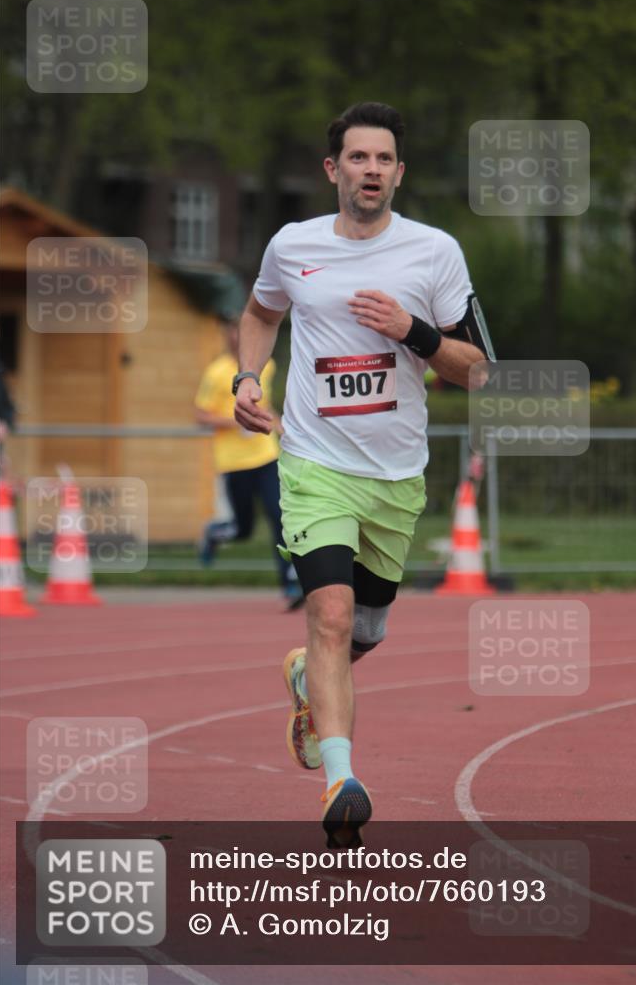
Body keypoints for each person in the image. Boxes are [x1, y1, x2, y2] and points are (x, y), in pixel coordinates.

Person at [233, 102, 491, 846]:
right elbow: (260, 314)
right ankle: (341, 782)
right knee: (331, 615)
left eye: (382, 160)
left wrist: (413, 331)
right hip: (314, 463)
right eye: (357, 158)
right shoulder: (292, 245)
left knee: (366, 629)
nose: (370, 170)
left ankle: (306, 679)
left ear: (398, 173)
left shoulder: (434, 253)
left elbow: (478, 370)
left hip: (395, 473)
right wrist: (247, 380)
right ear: (333, 169)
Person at [194, 314, 304, 610]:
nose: (239, 337)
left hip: (265, 455)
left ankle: (291, 582)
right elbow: (201, 415)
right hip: (234, 462)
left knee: (279, 517)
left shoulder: (266, 366)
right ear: (228, 335)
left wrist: (281, 426)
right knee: (244, 529)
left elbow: (265, 405)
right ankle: (214, 534)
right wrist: (237, 420)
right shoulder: (217, 372)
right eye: (234, 332)